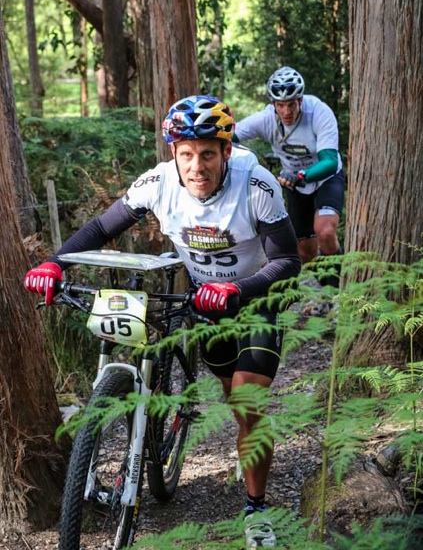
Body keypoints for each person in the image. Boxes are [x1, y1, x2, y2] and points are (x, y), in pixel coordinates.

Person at [24, 95, 301, 549]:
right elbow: (101, 227)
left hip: (254, 296)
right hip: (202, 298)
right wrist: (55, 264)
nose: (197, 167)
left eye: (208, 154)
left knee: (247, 402)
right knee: (231, 393)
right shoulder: (157, 181)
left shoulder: (257, 184)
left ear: (226, 152)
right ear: (174, 153)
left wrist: (238, 290)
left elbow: (288, 260)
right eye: (187, 154)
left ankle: (256, 510)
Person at [233, 66, 345, 284]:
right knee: (305, 251)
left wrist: (302, 175)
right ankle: (323, 293)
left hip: (324, 178)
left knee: (326, 232)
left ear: (300, 101)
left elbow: (330, 161)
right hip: (295, 184)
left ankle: (338, 292)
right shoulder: (265, 119)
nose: (286, 111)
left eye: (291, 104)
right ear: (273, 104)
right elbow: (230, 136)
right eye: (281, 105)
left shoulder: (319, 112)